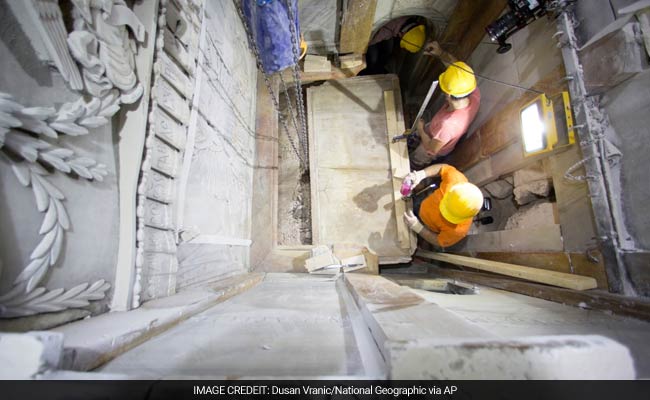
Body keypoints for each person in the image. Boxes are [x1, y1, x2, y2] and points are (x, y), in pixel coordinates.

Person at [409, 41, 481, 169]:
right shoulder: (473, 93)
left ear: (448, 95)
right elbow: (457, 70)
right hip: (434, 130)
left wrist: (420, 129)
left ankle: (412, 166)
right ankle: (412, 143)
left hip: (431, 146)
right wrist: (440, 53)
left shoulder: (449, 124)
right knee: (416, 136)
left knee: (417, 158)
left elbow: (431, 149)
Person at [402, 163, 483, 249]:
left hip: (426, 225)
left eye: (449, 215)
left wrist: (417, 227)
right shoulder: (455, 180)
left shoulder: (459, 231)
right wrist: (420, 174)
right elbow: (442, 168)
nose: (442, 213)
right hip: (424, 201)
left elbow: (438, 241)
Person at [361, 17, 426, 75]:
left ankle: (380, 68)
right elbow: (368, 42)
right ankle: (371, 72)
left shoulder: (407, 19)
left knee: (388, 50)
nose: (400, 37)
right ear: (403, 33)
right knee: (373, 58)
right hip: (372, 32)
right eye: (401, 37)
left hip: (390, 31)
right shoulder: (386, 31)